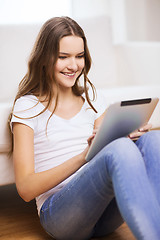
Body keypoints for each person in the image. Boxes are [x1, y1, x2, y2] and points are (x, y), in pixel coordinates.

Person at [10, 16, 160, 240]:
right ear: (44, 58)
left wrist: (131, 136)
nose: (74, 65)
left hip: (102, 217)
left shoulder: (92, 98)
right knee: (119, 149)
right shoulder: (27, 106)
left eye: (79, 56)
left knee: (152, 140)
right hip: (61, 217)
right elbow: (25, 189)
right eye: (63, 57)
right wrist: (84, 156)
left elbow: (108, 148)